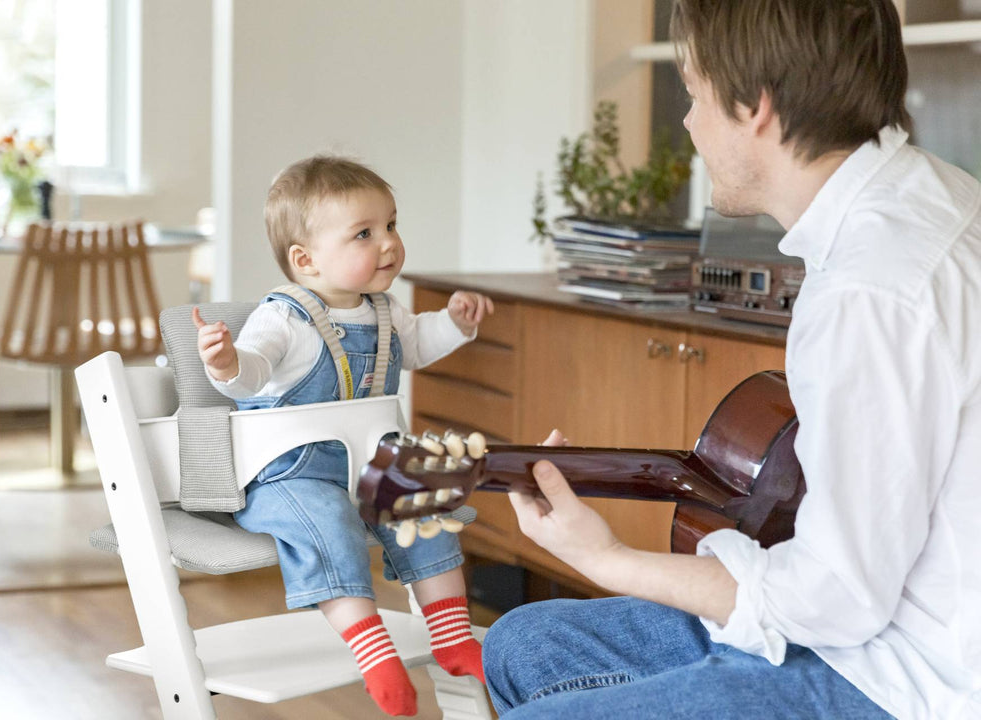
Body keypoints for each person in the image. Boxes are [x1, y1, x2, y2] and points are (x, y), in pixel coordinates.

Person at [483, 1, 981, 718]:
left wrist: (605, 559)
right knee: (523, 644)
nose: (687, 123)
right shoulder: (936, 193)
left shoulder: (869, 290)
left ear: (757, 108)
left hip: (911, 682)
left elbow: (834, 600)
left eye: (694, 94)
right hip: (875, 627)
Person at [193, 155, 494, 717]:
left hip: (368, 467)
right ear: (304, 260)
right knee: (326, 522)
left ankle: (452, 637)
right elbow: (254, 370)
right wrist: (229, 361)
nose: (388, 244)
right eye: (364, 233)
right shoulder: (282, 317)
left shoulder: (385, 312)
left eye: (391, 225)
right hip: (288, 475)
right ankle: (372, 650)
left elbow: (418, 348)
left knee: (425, 502)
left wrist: (455, 322)